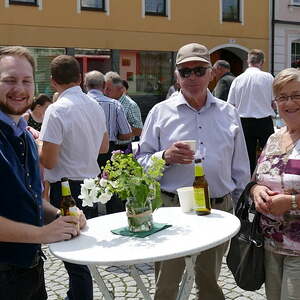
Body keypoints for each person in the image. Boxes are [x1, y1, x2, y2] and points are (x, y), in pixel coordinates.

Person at [137, 42, 250, 300]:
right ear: (176, 76)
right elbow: (140, 161)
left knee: (209, 284)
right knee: (166, 286)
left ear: (211, 73)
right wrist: (164, 156)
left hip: (217, 210)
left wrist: (244, 211)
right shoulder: (160, 112)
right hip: (173, 210)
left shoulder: (228, 112)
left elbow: (241, 168)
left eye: (199, 70)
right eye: (185, 72)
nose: (192, 77)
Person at [0, 46, 85, 300]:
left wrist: (62, 215)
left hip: (30, 269)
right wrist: (41, 234)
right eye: (9, 80)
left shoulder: (23, 134)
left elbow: (31, 200)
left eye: (27, 81)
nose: (20, 88)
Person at [40, 55, 109, 300]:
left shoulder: (56, 110)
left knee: (74, 255)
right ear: (80, 78)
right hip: (90, 184)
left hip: (66, 189)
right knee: (82, 251)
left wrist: (36, 143)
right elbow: (103, 147)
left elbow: (48, 160)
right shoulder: (95, 105)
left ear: (52, 81)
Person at [250, 68, 300, 300]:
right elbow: (256, 180)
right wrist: (256, 190)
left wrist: (291, 202)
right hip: (270, 246)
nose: (289, 102)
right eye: (282, 97)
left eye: (296, 95)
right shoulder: (273, 138)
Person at [84, 70, 132, 213]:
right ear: (104, 85)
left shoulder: (79, 104)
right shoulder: (114, 104)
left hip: (85, 151)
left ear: (85, 85)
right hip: (110, 150)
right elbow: (126, 133)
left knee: (88, 192)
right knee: (112, 191)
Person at [228, 49, 275, 175]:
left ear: (248, 61)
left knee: (246, 158)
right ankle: (268, 179)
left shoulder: (238, 79)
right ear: (262, 62)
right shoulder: (268, 77)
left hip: (244, 122)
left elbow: (230, 105)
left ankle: (247, 186)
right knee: (270, 155)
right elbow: (274, 102)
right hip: (264, 121)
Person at [105, 71, 143, 149]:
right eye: (105, 89)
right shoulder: (105, 102)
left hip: (122, 148)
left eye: (109, 89)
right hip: (106, 147)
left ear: (121, 90)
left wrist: (121, 134)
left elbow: (139, 129)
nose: (106, 92)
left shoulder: (131, 105)